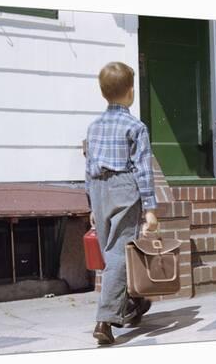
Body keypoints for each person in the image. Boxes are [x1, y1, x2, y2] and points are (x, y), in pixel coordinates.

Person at [85, 61, 158, 345]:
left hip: (100, 188)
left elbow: (89, 166)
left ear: (103, 93)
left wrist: (92, 204)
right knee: (119, 252)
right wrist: (150, 208)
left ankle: (130, 304)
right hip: (124, 186)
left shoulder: (93, 127)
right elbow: (143, 169)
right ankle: (105, 320)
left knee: (110, 252)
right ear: (131, 92)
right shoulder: (135, 126)